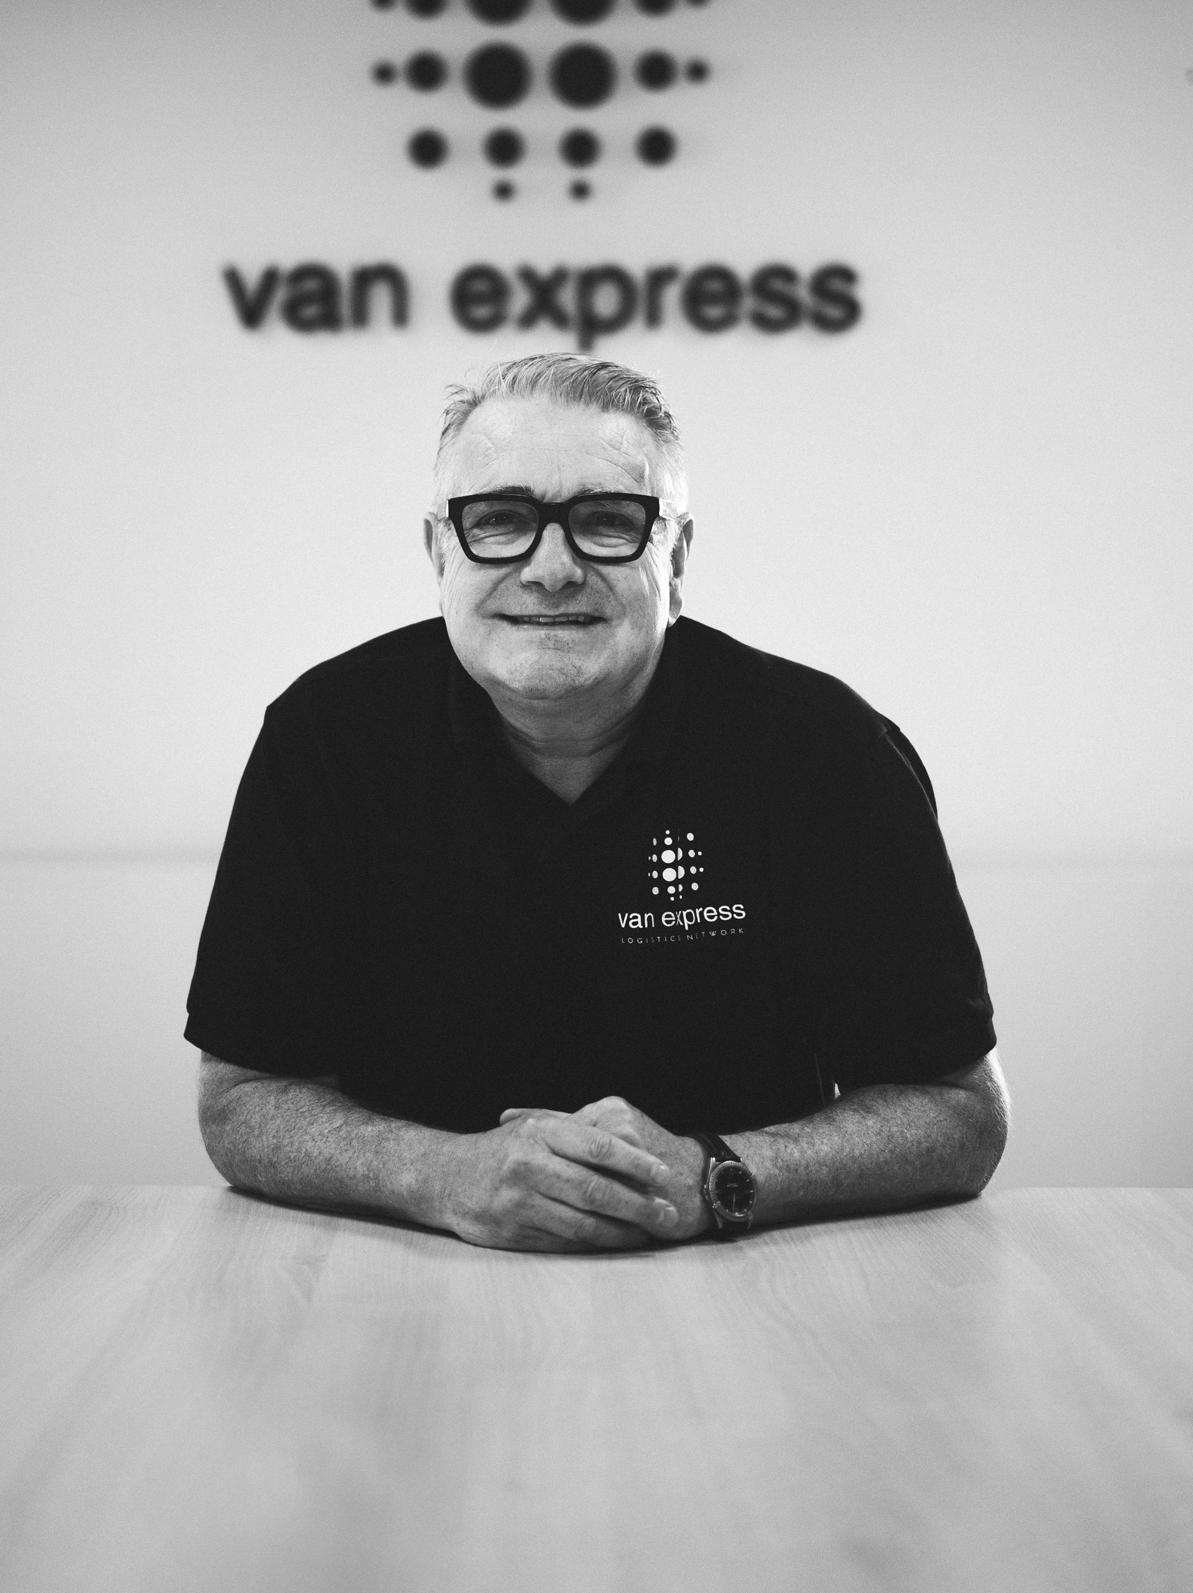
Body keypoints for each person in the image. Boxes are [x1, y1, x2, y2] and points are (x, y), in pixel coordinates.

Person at [186, 353, 1007, 1253]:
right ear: (437, 552)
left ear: (677, 556)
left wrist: (715, 1175)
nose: (550, 568)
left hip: (745, 1293)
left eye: (606, 521)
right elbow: (242, 1100)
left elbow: (959, 1115)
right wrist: (443, 1175)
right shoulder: (325, 741)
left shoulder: (826, 752)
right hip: (402, 1285)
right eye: (498, 520)